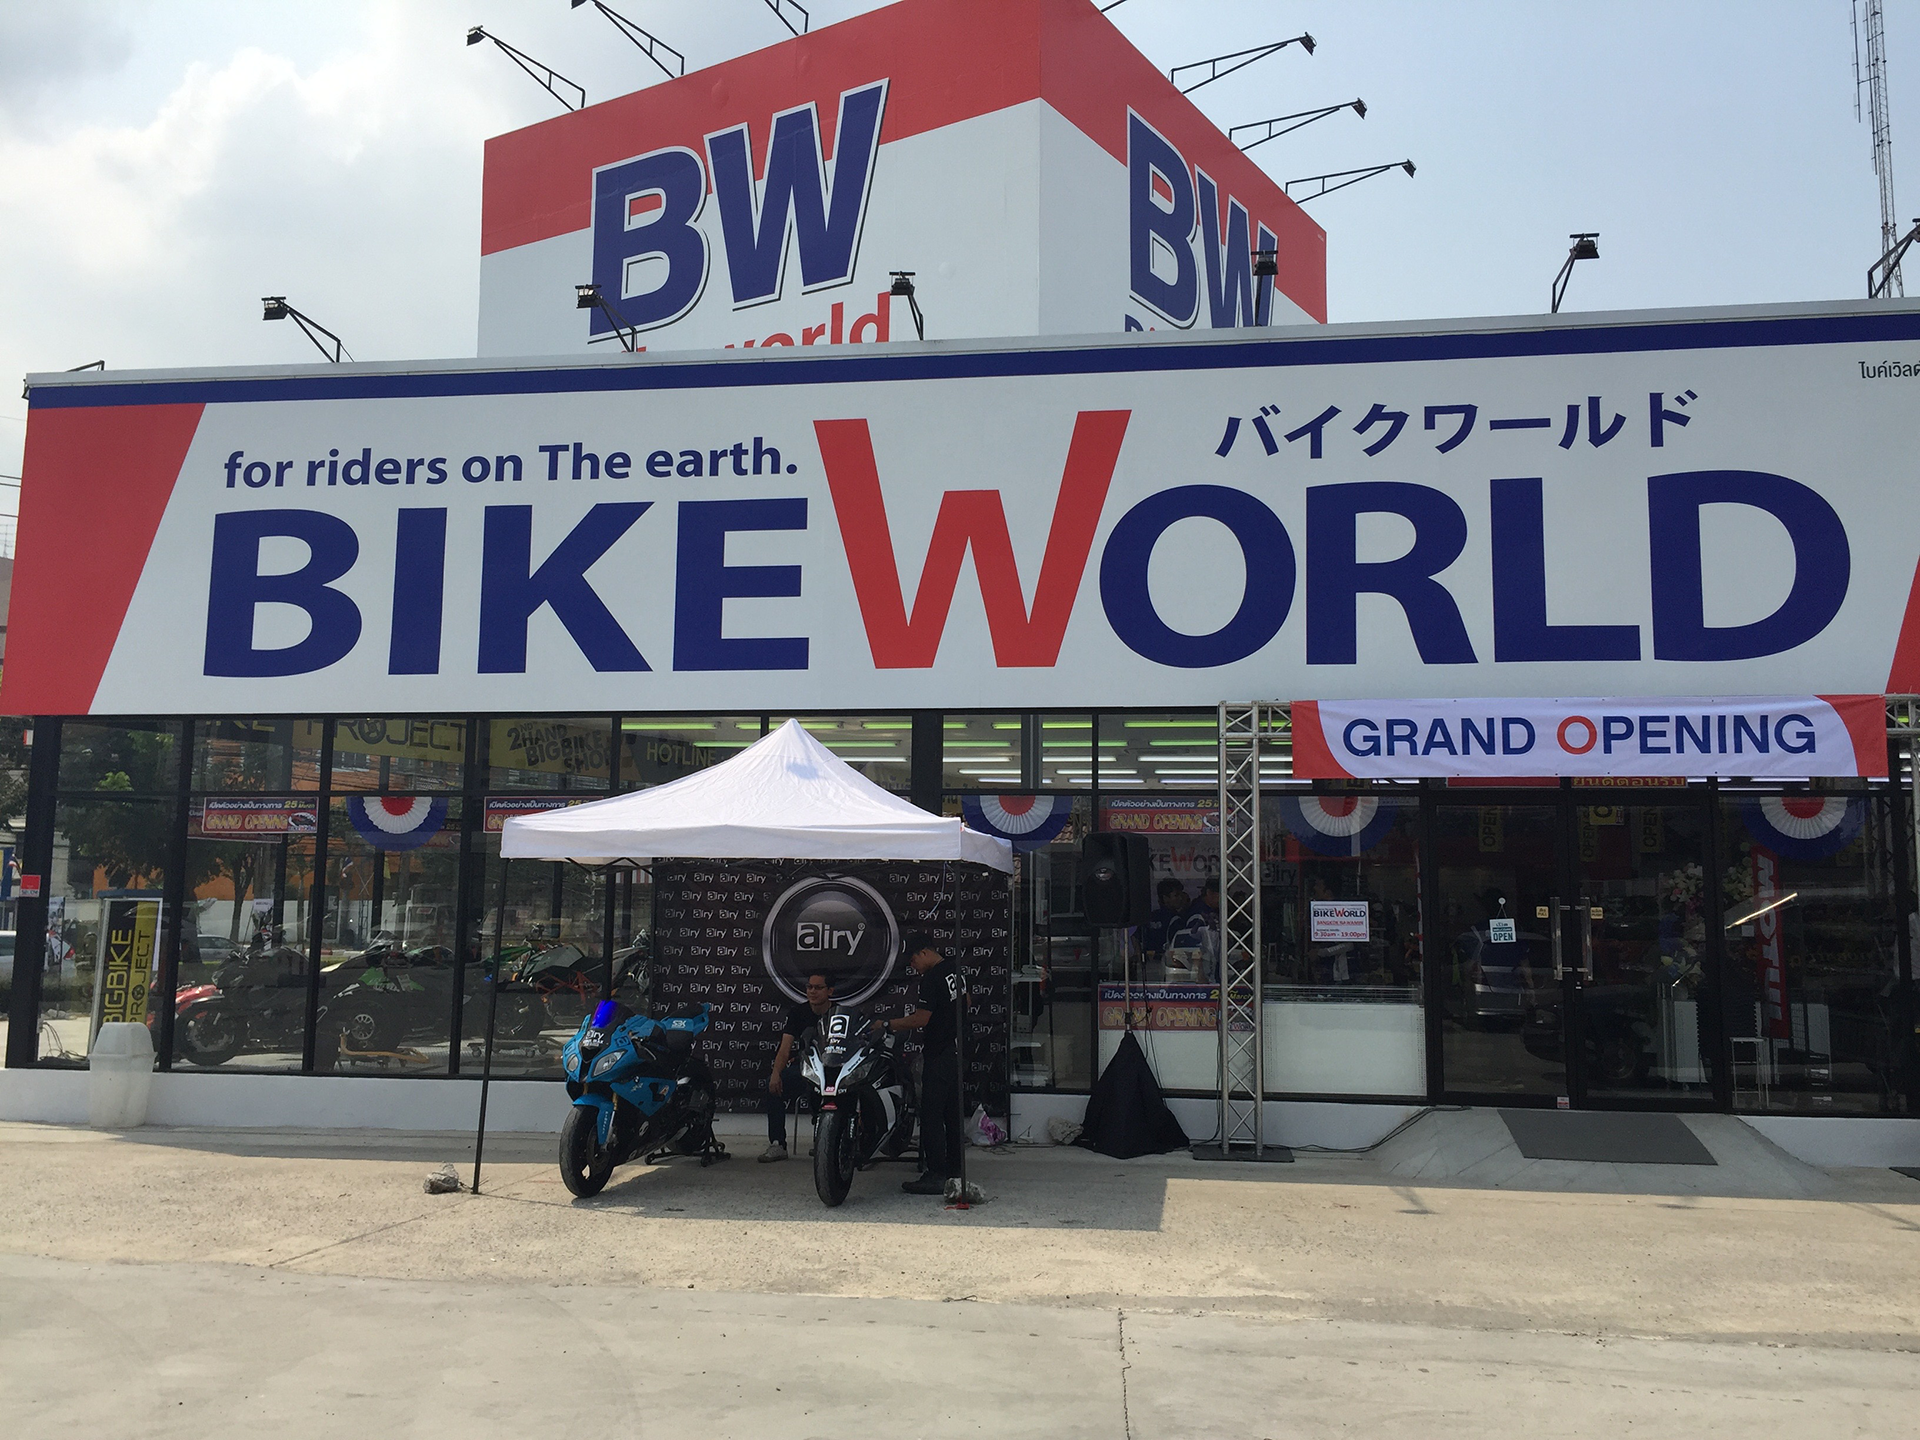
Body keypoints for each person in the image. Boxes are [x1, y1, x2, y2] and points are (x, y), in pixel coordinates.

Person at [877, 933, 965, 1196]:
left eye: (913, 960)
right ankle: (955, 1170)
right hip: (957, 1051)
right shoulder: (955, 970)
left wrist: (887, 1024)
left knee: (931, 1115)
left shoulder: (933, 978)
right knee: (952, 1115)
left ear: (924, 953)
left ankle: (936, 1174)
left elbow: (921, 1019)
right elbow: (967, 1001)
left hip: (939, 1053)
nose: (913, 966)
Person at [760, 972, 835, 1162]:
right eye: (809, 987)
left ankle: (828, 1141)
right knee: (772, 1085)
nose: (812, 991)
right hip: (806, 1069)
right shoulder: (797, 1013)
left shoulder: (839, 1013)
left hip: (834, 1071)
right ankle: (777, 1143)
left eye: (818, 987)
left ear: (830, 991)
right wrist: (776, 1073)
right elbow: (785, 1048)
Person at [1143, 878, 1191, 962]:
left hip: (1149, 962)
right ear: (1165, 898)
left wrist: (1140, 956)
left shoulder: (1150, 916)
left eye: (1181, 895)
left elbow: (1135, 937)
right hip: (1167, 962)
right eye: (1176, 895)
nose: (1180, 898)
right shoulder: (1176, 920)